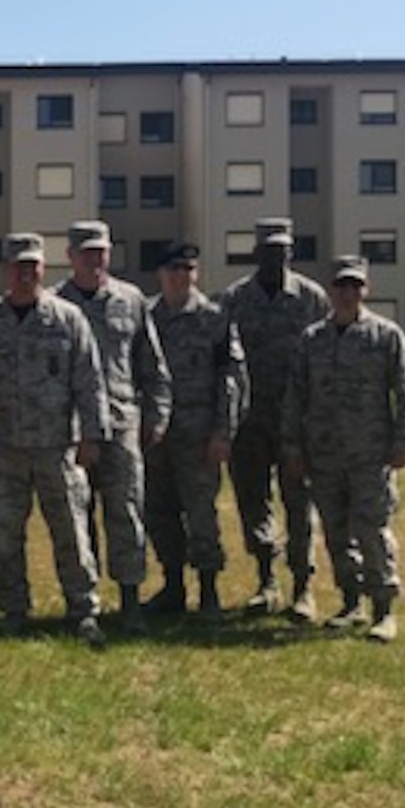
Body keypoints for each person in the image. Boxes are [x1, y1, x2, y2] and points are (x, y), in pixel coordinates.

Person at [0, 232, 110, 647]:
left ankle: (84, 609)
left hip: (58, 447)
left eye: (32, 267)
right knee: (7, 536)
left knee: (72, 533)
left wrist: (92, 435)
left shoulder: (66, 318)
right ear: (5, 270)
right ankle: (14, 609)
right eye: (17, 267)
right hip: (5, 448)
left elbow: (88, 380)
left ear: (43, 269)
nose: (25, 274)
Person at [282, 256, 405, 642]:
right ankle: (350, 602)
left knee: (372, 530)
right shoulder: (312, 341)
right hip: (324, 456)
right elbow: (296, 397)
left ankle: (383, 609)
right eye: (341, 286)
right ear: (330, 290)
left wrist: (404, 441)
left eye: (355, 286)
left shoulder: (385, 336)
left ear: (366, 289)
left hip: (370, 455)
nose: (348, 293)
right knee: (336, 532)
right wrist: (293, 447)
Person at [56, 219, 170, 632]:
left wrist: (157, 415)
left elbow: (152, 366)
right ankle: (84, 603)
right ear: (70, 256)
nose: (93, 259)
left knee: (126, 512)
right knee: (76, 518)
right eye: (85, 252)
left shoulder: (131, 299)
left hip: (122, 424)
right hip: (72, 429)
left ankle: (130, 601)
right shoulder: (55, 306)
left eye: (100, 251)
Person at [220, 215, 331, 621]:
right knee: (253, 501)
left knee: (299, 503)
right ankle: (266, 579)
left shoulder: (310, 298)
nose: (275, 257)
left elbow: (325, 359)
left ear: (291, 252)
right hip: (249, 423)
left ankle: (303, 587)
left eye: (281, 250)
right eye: (268, 250)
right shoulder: (234, 300)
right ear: (256, 252)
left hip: (295, 424)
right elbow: (224, 361)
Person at [143, 241, 247, 622]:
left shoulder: (214, 319)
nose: (179, 276)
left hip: (199, 436)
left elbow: (232, 380)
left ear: (196, 273)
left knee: (201, 514)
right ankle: (173, 587)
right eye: (172, 269)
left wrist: (224, 431)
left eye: (186, 269)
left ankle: (208, 592)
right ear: (160, 274)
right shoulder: (146, 317)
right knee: (158, 512)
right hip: (156, 438)